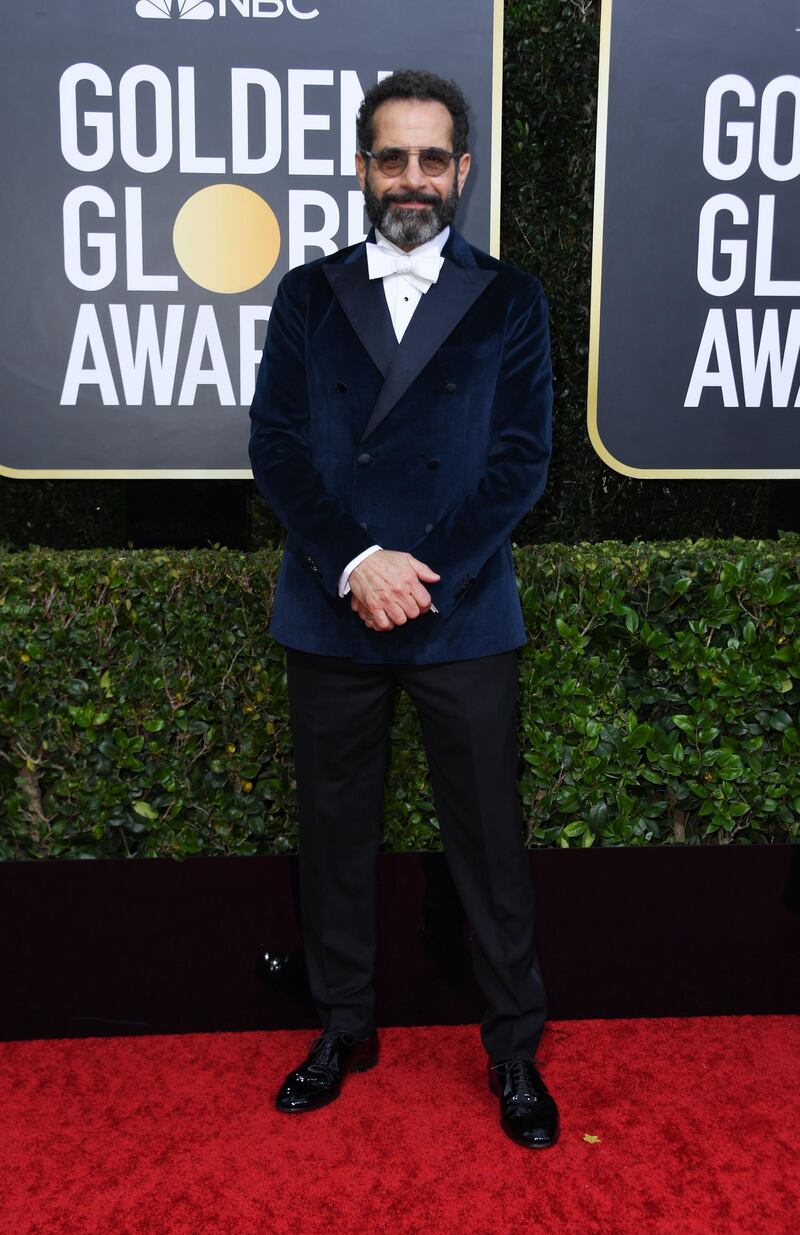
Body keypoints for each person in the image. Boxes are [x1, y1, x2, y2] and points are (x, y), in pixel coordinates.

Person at [249, 69, 558, 1149]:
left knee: (486, 840)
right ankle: (341, 1027)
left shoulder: (510, 299)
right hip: (333, 606)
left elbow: (521, 461)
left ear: (462, 171)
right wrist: (359, 562)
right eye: (392, 156)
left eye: (433, 158)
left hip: (461, 610)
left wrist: (422, 570)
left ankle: (513, 1047)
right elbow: (277, 450)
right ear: (362, 166)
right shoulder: (305, 293)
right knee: (335, 834)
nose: (412, 178)